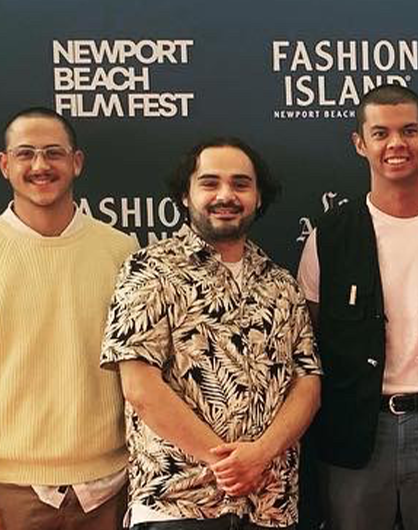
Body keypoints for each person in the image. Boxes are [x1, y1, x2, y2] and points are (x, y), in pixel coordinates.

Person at [299, 84, 418, 530]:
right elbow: (309, 343)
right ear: (359, 143)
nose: (396, 145)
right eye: (381, 133)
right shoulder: (328, 239)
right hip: (355, 434)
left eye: (408, 131)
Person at [0, 107, 138, 530]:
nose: (40, 166)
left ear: (76, 162)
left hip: (113, 491)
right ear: (5, 165)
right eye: (25, 154)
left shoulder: (123, 254)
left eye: (53, 153)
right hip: (8, 495)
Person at [102, 137, 322, 529]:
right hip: (179, 504)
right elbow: (140, 388)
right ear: (185, 196)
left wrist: (260, 456)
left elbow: (307, 385)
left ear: (257, 197)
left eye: (240, 184)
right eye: (209, 183)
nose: (226, 195)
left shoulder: (281, 283)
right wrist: (226, 465)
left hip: (270, 505)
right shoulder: (149, 270)